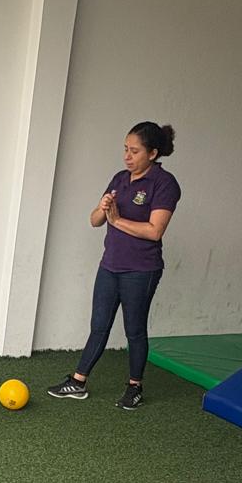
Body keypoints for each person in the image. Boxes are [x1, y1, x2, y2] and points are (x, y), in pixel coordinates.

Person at [48, 122, 181, 409]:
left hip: (141, 270)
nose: (127, 156)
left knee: (134, 329)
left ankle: (135, 387)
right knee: (99, 325)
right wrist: (103, 207)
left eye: (135, 151)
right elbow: (95, 221)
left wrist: (118, 219)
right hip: (110, 266)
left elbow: (155, 231)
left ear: (153, 153)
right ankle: (78, 381)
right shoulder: (120, 178)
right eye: (125, 149)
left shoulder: (164, 183)